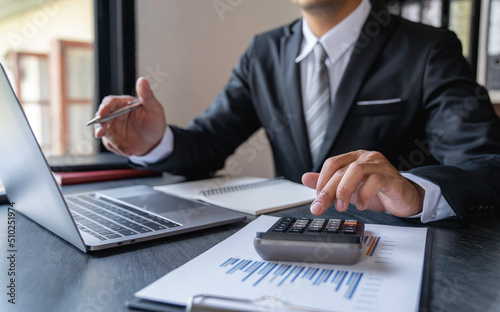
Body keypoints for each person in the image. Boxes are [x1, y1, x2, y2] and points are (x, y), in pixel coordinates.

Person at [94, 0, 500, 224]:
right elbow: (212, 141)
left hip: (394, 250)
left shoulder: (427, 48)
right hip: (284, 242)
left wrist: (414, 191)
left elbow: (486, 165)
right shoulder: (264, 52)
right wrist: (155, 142)